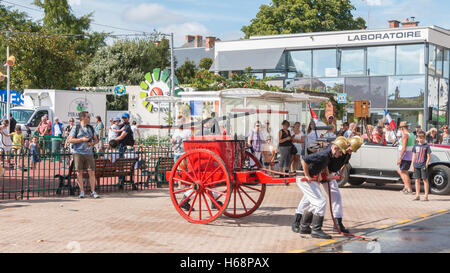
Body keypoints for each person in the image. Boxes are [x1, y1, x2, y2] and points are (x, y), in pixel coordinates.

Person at [292, 136, 363, 235]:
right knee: (312, 199)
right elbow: (324, 160)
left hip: (327, 173)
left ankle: (337, 223)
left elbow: (345, 162)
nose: (349, 151)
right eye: (349, 149)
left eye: (352, 150)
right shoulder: (334, 147)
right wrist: (324, 173)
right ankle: (298, 221)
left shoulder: (346, 152)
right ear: (348, 144)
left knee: (334, 196)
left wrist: (341, 173)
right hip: (321, 172)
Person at [68, 111, 100, 199]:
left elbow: (96, 140)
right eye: (88, 117)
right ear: (83, 118)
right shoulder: (76, 127)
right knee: (79, 172)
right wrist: (82, 139)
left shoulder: (91, 128)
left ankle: (93, 191)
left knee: (92, 172)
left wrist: (92, 143)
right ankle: (82, 191)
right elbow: (70, 140)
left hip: (89, 153)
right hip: (78, 152)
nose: (89, 118)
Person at [411, 131, 431, 201]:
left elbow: (428, 156)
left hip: (423, 165)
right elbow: (414, 155)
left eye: (422, 138)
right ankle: (417, 195)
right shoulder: (415, 146)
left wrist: (426, 164)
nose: (421, 139)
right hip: (416, 165)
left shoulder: (427, 146)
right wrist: (412, 165)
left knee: (425, 180)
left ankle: (426, 196)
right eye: (419, 138)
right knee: (417, 180)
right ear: (417, 138)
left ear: (424, 138)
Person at [397, 121, 415, 195]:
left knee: (404, 172)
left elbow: (404, 148)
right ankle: (406, 187)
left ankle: (409, 189)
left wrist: (400, 158)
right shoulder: (411, 134)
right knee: (400, 170)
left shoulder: (405, 135)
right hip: (408, 156)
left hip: (405, 156)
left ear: (401, 128)